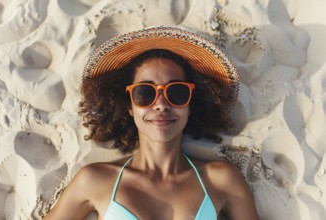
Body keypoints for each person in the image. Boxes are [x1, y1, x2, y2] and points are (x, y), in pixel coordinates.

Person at [44, 26, 259, 220]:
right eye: (145, 93)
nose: (161, 104)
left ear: (191, 104)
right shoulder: (94, 181)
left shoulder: (221, 180)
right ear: (129, 105)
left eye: (177, 92)